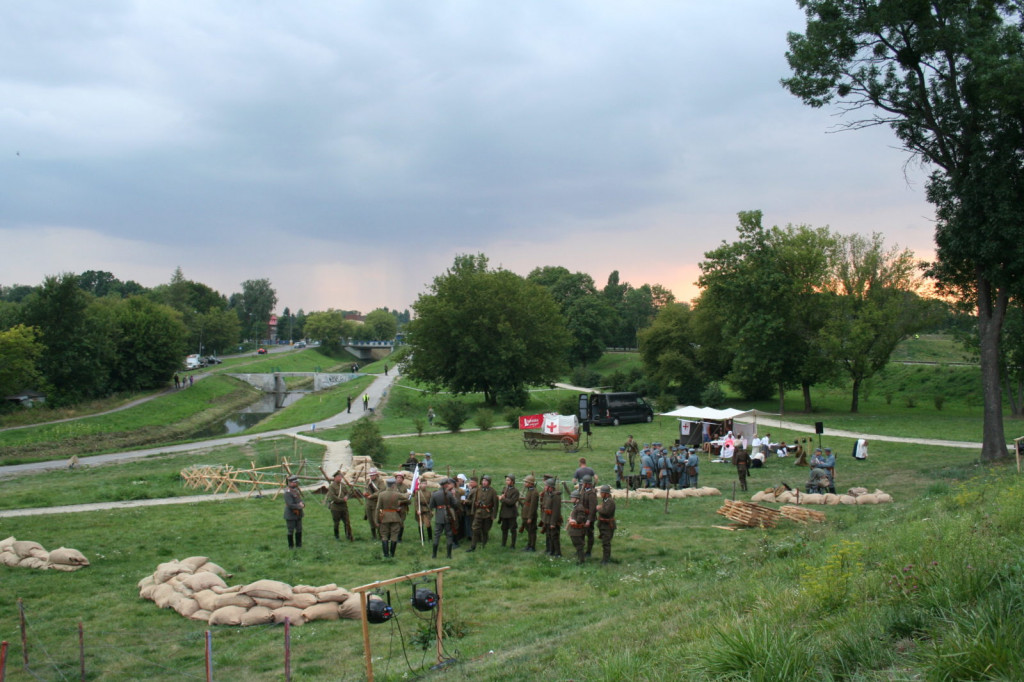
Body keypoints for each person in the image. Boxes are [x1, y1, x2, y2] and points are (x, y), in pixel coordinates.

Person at [375, 477, 407, 558]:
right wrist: (409, 493)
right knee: (394, 536)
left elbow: (378, 508)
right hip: (395, 517)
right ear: (393, 485)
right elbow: (405, 496)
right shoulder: (396, 494)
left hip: (384, 517)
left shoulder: (381, 494)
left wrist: (377, 520)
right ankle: (392, 554)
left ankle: (386, 555)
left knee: (384, 535)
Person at [429, 478, 459, 559]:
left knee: (436, 536)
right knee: (449, 535)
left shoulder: (434, 494)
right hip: (448, 516)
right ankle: (449, 555)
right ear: (445, 485)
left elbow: (431, 506)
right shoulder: (449, 494)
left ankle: (434, 555)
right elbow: (455, 504)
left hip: (439, 516)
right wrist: (454, 496)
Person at [468, 474, 498, 552]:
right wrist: (473, 511)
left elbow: (496, 504)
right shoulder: (478, 489)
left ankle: (484, 546)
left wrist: (493, 515)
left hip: (487, 514)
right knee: (475, 529)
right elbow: (474, 501)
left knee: (485, 530)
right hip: (478, 512)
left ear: (489, 482)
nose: (484, 482)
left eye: (486, 481)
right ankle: (473, 546)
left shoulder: (493, 491)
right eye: (483, 481)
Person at [326, 471, 355, 541]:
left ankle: (348, 535)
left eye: (341, 477)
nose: (340, 478)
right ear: (335, 478)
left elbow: (347, 493)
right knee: (336, 523)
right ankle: (337, 536)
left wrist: (347, 496)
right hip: (335, 507)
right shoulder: (331, 486)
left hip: (344, 507)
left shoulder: (343, 485)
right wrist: (343, 500)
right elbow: (333, 497)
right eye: (339, 477)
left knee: (347, 522)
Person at [541, 478, 562, 557]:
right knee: (549, 535)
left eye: (546, 486)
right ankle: (551, 550)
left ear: (550, 487)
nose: (545, 487)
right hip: (547, 518)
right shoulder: (547, 494)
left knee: (554, 536)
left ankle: (558, 552)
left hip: (553, 519)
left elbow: (556, 511)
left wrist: (553, 522)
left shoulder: (556, 496)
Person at [498, 474, 520, 548]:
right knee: (504, 528)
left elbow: (511, 502)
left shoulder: (515, 491)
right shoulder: (505, 489)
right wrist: (502, 498)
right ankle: (503, 543)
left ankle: (513, 545)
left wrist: (503, 499)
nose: (506, 481)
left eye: (508, 480)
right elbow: (503, 500)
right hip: (504, 512)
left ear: (512, 481)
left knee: (513, 529)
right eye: (506, 480)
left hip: (511, 513)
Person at [596, 484, 616, 565]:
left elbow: (606, 512)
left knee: (606, 543)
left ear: (606, 493)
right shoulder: (605, 500)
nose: (600, 494)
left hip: (608, 525)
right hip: (603, 524)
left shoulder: (610, 502)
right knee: (604, 542)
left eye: (602, 493)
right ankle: (605, 558)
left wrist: (599, 508)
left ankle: (606, 559)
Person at [566, 490, 588, 564]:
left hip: (577, 530)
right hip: (574, 529)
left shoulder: (580, 507)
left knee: (579, 546)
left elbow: (579, 519)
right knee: (577, 545)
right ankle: (580, 559)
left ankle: (581, 561)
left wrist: (572, 520)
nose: (571, 499)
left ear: (577, 499)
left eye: (573, 498)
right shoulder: (576, 506)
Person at [284, 475, 305, 548]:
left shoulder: (295, 491)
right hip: (291, 514)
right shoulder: (287, 492)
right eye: (294, 483)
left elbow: (299, 499)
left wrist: (302, 504)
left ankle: (299, 545)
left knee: (299, 529)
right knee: (291, 530)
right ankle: (291, 546)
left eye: (296, 482)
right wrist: (299, 506)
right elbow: (290, 504)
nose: (295, 484)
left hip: (298, 514)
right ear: (289, 483)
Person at [579, 474, 598, 558]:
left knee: (589, 535)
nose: (583, 484)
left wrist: (589, 520)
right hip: (582, 516)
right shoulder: (583, 491)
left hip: (588, 517)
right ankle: (580, 550)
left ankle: (588, 551)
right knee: (581, 534)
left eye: (584, 483)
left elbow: (593, 509)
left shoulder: (592, 494)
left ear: (588, 484)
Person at [520, 474, 539, 552]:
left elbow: (533, 506)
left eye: (526, 482)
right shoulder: (530, 490)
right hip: (526, 514)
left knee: (532, 531)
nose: (525, 484)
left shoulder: (534, 492)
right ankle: (529, 545)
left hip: (530, 515)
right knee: (529, 531)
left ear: (531, 483)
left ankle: (532, 546)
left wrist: (530, 517)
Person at [363, 467, 382, 540]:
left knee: (376, 519)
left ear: (376, 475)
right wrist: (365, 493)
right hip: (368, 503)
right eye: (371, 475)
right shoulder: (368, 481)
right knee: (370, 520)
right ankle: (373, 536)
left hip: (376, 503)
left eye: (373, 475)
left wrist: (373, 495)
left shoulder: (380, 482)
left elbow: (381, 490)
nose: (372, 476)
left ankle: (380, 536)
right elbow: (365, 489)